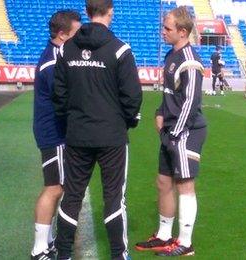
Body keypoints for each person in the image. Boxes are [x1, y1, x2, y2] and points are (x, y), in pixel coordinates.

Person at [52, 0, 143, 259]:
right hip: (111, 137)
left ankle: (63, 254)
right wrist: (125, 122)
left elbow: (58, 95)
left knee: (72, 196)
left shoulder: (67, 49)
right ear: (110, 12)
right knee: (114, 198)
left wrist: (69, 123)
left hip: (78, 135)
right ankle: (118, 255)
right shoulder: (120, 50)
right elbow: (132, 97)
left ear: (87, 11)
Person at [134, 6, 207, 257]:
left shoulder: (190, 61)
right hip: (170, 130)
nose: (162, 32)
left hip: (186, 132)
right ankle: (164, 235)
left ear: (183, 31)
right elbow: (169, 95)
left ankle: (185, 243)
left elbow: (190, 102)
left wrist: (175, 132)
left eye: (167, 28)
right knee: (163, 181)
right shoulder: (170, 56)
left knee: (185, 185)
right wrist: (159, 112)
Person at [30, 10, 81, 260]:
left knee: (57, 187)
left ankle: (47, 242)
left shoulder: (56, 56)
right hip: (54, 133)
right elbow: (64, 98)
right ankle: (39, 248)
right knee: (54, 188)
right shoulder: (53, 61)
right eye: (75, 33)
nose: (79, 37)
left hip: (54, 131)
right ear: (62, 34)